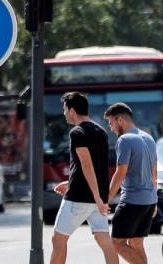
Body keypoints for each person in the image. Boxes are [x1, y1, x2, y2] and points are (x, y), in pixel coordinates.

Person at [50, 92, 118, 264]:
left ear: (72, 111)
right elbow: (94, 167)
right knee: (104, 241)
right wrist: (98, 198)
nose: (64, 113)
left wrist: (95, 196)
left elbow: (87, 165)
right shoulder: (101, 131)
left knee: (58, 240)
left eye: (65, 109)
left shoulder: (77, 133)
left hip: (79, 198)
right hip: (98, 199)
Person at [104, 103, 158, 264]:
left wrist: (105, 199)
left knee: (117, 243)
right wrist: (155, 201)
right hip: (149, 200)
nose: (111, 128)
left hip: (132, 202)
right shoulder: (149, 138)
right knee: (136, 243)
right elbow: (154, 174)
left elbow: (120, 173)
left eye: (111, 123)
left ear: (120, 120)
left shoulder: (125, 140)